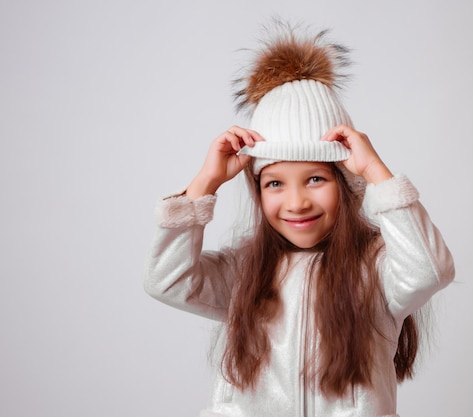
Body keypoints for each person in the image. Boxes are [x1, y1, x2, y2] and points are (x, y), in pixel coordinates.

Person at [144, 22, 455, 417]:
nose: (296, 202)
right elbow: (165, 280)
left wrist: (376, 172)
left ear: (346, 183)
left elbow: (430, 270)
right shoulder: (243, 272)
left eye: (314, 178)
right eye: (274, 183)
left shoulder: (375, 270)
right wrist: (204, 184)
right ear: (258, 192)